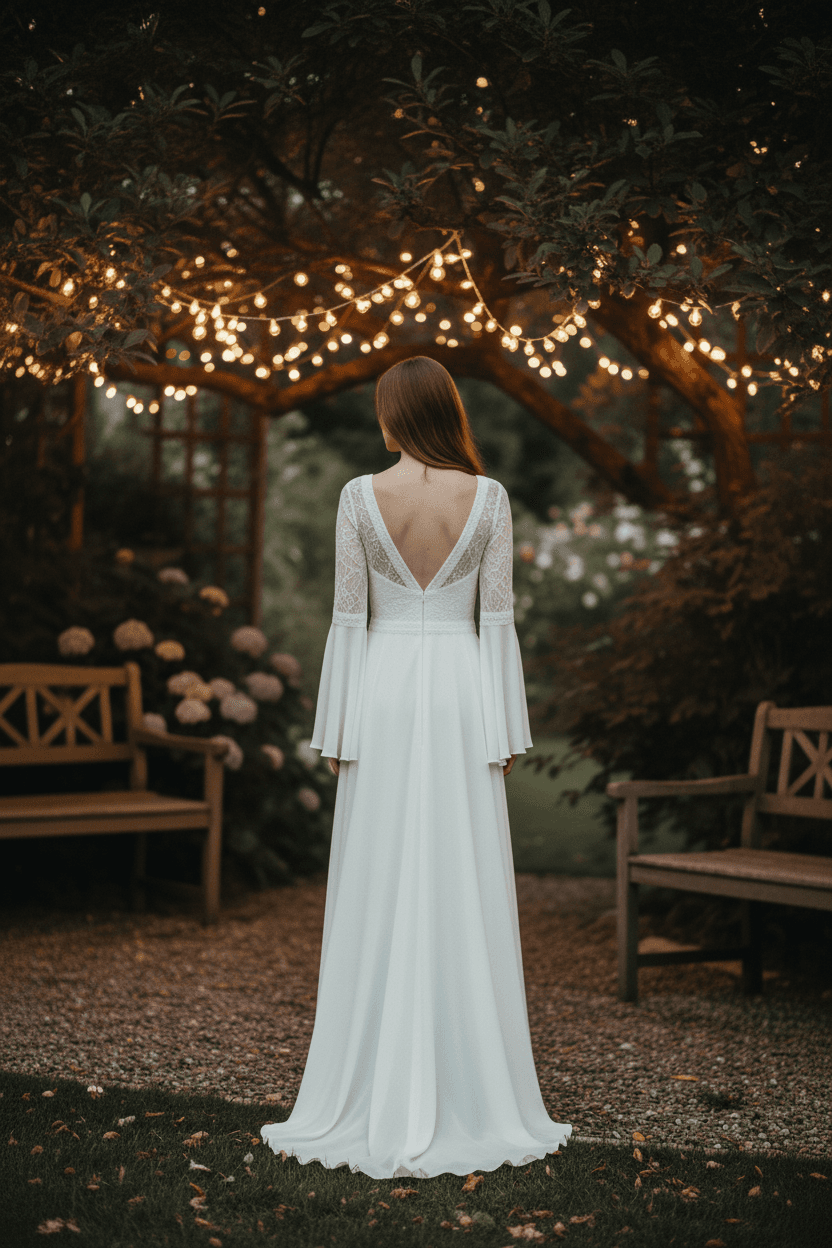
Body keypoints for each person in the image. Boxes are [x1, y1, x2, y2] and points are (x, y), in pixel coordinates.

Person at [261, 355, 572, 1178]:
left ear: (392, 416)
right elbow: (497, 620)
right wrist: (505, 729)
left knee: (379, 870)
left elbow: (348, 621)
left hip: (387, 693)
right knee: (461, 872)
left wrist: (337, 732)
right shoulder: (491, 499)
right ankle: (473, 1082)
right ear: (450, 412)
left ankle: (367, 1079)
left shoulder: (361, 497)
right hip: (464, 696)